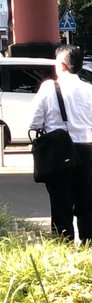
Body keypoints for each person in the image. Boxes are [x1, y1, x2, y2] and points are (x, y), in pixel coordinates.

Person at [29, 44, 92, 241]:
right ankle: (88, 248)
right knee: (87, 204)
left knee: (61, 205)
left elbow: (34, 122)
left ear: (62, 65)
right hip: (88, 150)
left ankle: (63, 248)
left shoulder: (49, 88)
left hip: (59, 152)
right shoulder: (89, 89)